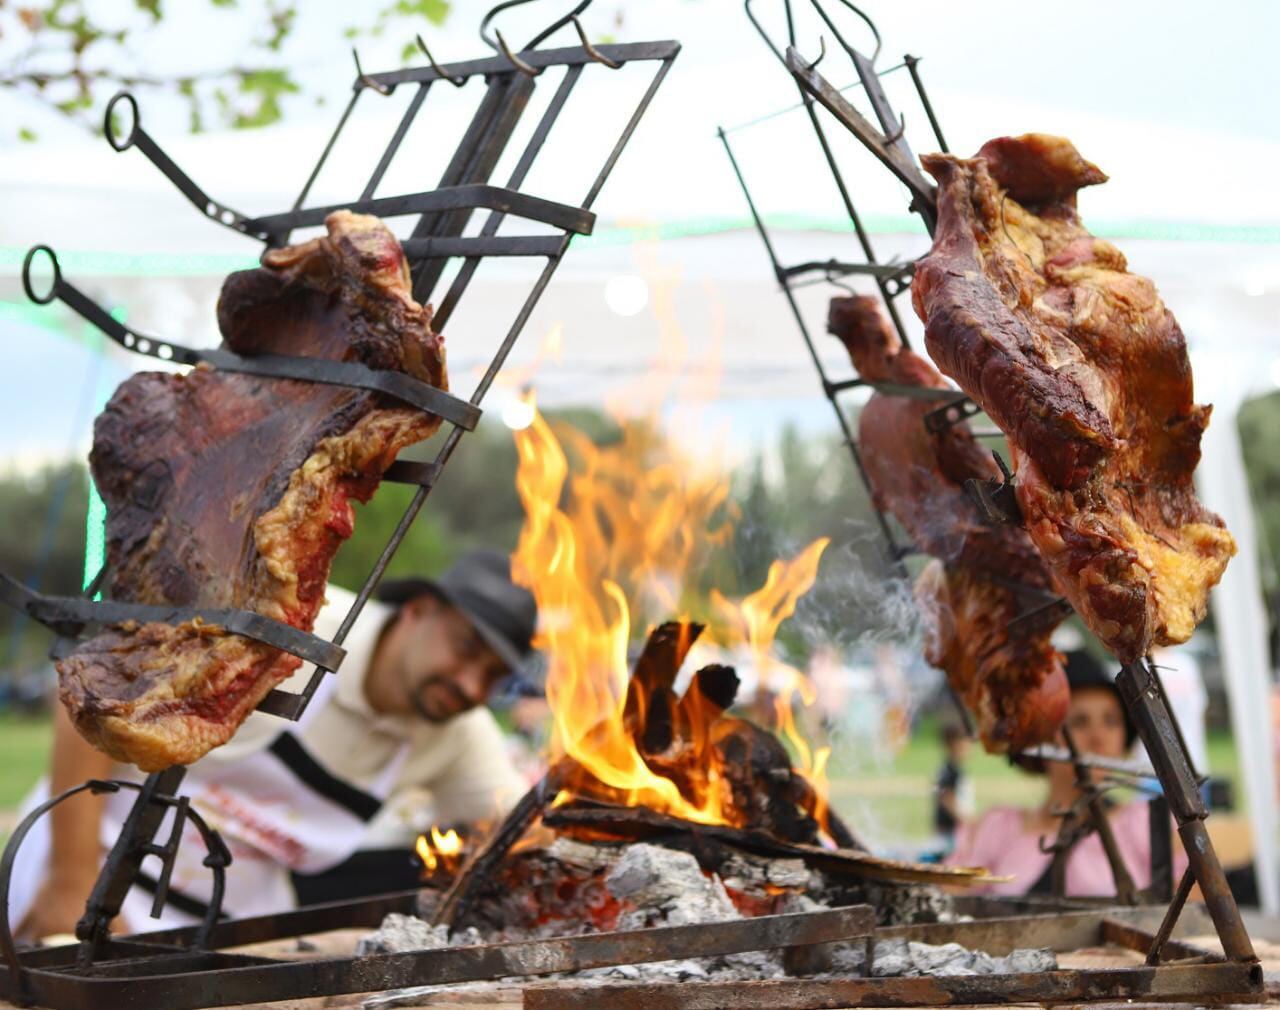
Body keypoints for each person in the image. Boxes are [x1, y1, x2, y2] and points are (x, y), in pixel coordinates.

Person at [12, 549, 536, 940]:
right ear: (419, 611)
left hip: (221, 926)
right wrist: (70, 880)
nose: (472, 686)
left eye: (493, 676)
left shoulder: (461, 735)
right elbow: (92, 696)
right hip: (86, 859)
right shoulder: (291, 632)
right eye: (467, 648)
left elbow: (526, 833)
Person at [948, 650, 1185, 897]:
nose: (1098, 737)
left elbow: (1193, 904)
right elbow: (949, 899)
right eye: (1080, 722)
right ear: (1044, 738)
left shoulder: (1142, 825)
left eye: (1111, 721)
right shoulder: (999, 829)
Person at [932, 723, 973, 854]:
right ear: (953, 745)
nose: (969, 747)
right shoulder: (950, 771)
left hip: (951, 832)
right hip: (951, 832)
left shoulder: (950, 769)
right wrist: (968, 821)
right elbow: (946, 796)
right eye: (965, 743)